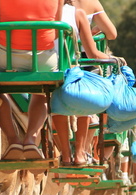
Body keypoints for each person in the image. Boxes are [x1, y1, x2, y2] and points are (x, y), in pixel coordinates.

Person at [0, 0, 64, 161]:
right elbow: (55, 31)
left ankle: (13, 140)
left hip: (7, 58)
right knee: (41, 92)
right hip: (43, 59)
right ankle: (31, 139)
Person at [51, 0, 112, 166]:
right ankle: (80, 154)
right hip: (70, 69)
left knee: (56, 101)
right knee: (83, 99)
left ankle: (64, 154)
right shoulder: (78, 13)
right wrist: (113, 59)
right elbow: (93, 52)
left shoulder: (43, 9)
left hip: (46, 66)